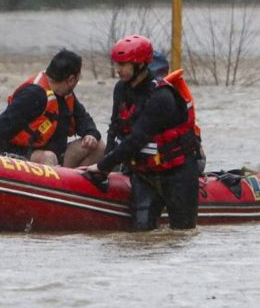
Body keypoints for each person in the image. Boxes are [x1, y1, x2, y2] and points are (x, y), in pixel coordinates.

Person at [82, 35, 200, 231]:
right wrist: (107, 168)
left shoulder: (161, 96)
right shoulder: (120, 89)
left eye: (123, 65)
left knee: (182, 234)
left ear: (140, 64)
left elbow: (137, 139)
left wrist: (103, 166)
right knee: (140, 235)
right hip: (144, 175)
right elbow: (115, 129)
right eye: (116, 64)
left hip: (178, 174)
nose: (117, 70)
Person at [0, 49, 104, 167]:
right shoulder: (34, 95)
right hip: (23, 155)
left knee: (98, 146)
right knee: (48, 157)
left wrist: (91, 134)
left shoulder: (66, 94)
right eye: (78, 78)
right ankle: (52, 190)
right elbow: (0, 128)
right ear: (71, 79)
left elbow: (83, 119)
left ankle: (72, 188)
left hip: (58, 158)